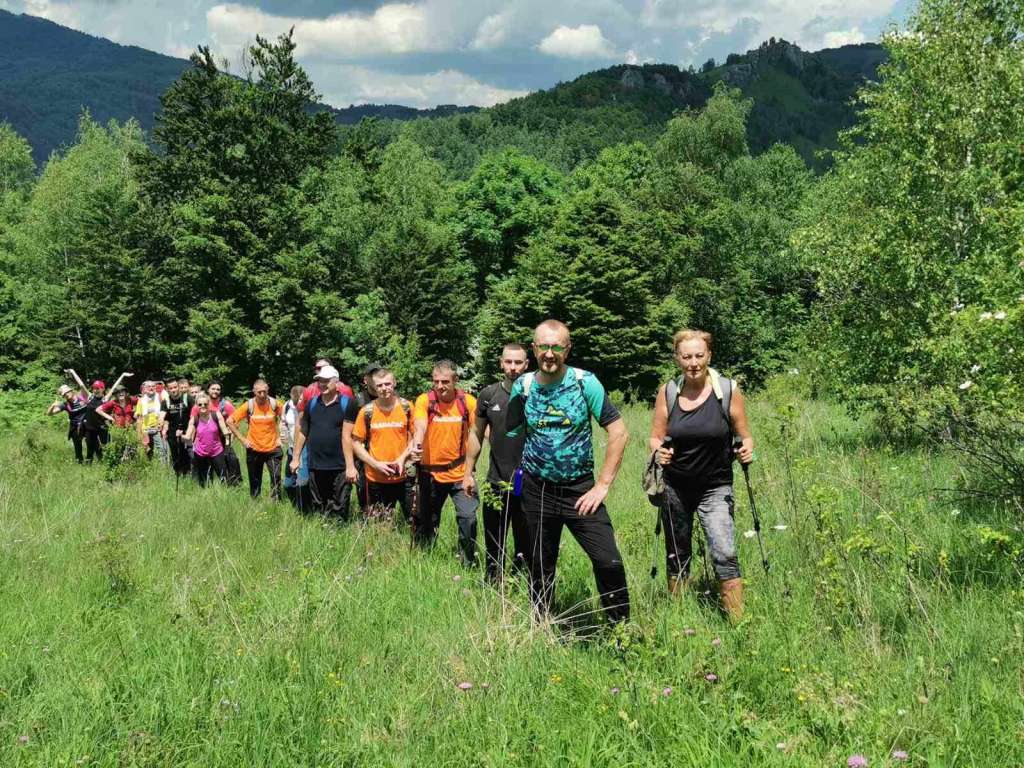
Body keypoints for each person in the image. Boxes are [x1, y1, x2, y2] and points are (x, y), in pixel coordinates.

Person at [505, 320, 631, 624]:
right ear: (534, 349)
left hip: (580, 491)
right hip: (536, 491)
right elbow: (510, 433)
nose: (550, 353)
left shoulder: (584, 382)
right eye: (544, 346)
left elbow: (619, 432)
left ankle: (621, 633)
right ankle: (541, 626)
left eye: (557, 346)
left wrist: (602, 485)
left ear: (567, 348)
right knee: (539, 565)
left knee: (608, 561)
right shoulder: (523, 387)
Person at [648, 329, 754, 621]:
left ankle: (738, 624)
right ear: (677, 358)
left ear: (709, 356)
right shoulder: (668, 391)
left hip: (716, 486)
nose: (693, 362)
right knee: (677, 554)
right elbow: (655, 437)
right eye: (686, 356)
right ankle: (680, 621)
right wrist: (659, 452)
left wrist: (746, 450)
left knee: (724, 551)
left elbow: (746, 437)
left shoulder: (728, 390)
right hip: (675, 486)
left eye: (698, 355)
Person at [464, 343, 531, 583]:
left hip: (529, 482)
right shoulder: (488, 395)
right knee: (494, 539)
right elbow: (476, 434)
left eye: (518, 362)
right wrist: (468, 472)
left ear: (527, 364)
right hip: (497, 480)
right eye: (509, 362)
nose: (513, 368)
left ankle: (521, 581)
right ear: (501, 363)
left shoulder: (537, 394)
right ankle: (493, 583)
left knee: (526, 539)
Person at [411, 360, 479, 566]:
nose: (439, 386)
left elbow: (478, 433)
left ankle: (468, 565)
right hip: (430, 474)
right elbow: (420, 424)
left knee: (468, 518)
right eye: (436, 381)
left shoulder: (468, 402)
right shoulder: (425, 400)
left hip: (460, 473)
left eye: (445, 382)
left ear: (455, 381)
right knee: (427, 521)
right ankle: (423, 563)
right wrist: (417, 442)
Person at [289, 366, 358, 519]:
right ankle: (321, 533)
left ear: (337, 382)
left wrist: (350, 466)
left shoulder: (348, 404)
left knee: (339, 505)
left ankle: (339, 536)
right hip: (316, 465)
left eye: (327, 381)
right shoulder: (311, 404)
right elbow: (303, 431)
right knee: (318, 504)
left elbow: (348, 437)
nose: (322, 384)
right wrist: (295, 458)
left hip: (340, 465)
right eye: (320, 381)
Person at [351, 367, 414, 522]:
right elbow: (356, 443)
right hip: (375, 478)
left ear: (394, 383)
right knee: (378, 524)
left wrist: (402, 459)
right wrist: (375, 464)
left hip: (404, 477)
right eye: (379, 385)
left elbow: (416, 438)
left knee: (413, 522)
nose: (384, 389)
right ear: (374, 387)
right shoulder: (367, 411)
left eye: (387, 384)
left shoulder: (407, 407)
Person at [228, 379, 284, 500]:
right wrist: (242, 440)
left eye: (264, 391)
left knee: (276, 476)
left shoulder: (275, 404)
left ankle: (276, 501)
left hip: (273, 448)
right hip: (254, 448)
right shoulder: (249, 405)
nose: (262, 395)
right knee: (254, 479)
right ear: (254, 391)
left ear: (268, 390)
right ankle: (255, 502)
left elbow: (285, 419)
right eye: (259, 392)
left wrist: (281, 437)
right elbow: (230, 421)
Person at [353, 362, 382, 513]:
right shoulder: (358, 401)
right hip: (363, 455)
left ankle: (386, 520)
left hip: (386, 453)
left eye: (379, 374)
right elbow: (349, 432)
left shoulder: (392, 398)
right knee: (365, 492)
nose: (376, 379)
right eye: (372, 375)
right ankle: (367, 522)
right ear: (366, 380)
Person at [185, 392, 231, 486]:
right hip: (200, 452)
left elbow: (225, 432)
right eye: (200, 404)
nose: (203, 406)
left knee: (223, 477)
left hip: (217, 451)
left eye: (205, 404)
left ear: (209, 404)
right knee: (204, 480)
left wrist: (227, 445)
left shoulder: (216, 415)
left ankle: (226, 494)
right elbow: (188, 436)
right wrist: (180, 436)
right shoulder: (194, 419)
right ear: (196, 406)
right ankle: (205, 495)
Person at [47, 384, 89, 463]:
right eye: (64, 394)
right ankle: (79, 463)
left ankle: (92, 461)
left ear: (71, 391)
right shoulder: (65, 405)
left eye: (67, 392)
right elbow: (49, 413)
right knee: (77, 447)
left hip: (86, 425)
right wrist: (53, 405)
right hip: (75, 427)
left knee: (92, 444)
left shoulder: (82, 398)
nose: (66, 395)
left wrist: (73, 373)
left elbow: (82, 385)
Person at [162, 379, 193, 477]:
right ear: (167, 389)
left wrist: (191, 432)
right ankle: (178, 475)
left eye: (175, 387)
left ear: (179, 387)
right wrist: (162, 426)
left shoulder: (187, 398)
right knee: (175, 455)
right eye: (171, 388)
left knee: (187, 455)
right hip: (172, 434)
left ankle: (189, 474)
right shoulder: (166, 401)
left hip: (187, 432)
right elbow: (163, 416)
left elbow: (194, 415)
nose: (173, 390)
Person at [281, 385, 305, 507]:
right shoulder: (286, 407)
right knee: (288, 483)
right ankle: (294, 504)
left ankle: (302, 508)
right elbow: (283, 422)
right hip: (291, 448)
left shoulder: (308, 407)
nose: (298, 402)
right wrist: (283, 433)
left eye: (301, 399)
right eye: (296, 399)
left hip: (304, 449)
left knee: (302, 482)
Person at [135, 380, 168, 463]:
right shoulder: (141, 400)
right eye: (148, 386)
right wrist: (139, 433)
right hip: (145, 429)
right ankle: (148, 465)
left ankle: (163, 468)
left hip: (157, 428)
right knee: (147, 449)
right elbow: (139, 418)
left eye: (153, 386)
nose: (151, 388)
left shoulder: (160, 398)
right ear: (144, 389)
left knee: (161, 448)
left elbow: (164, 412)